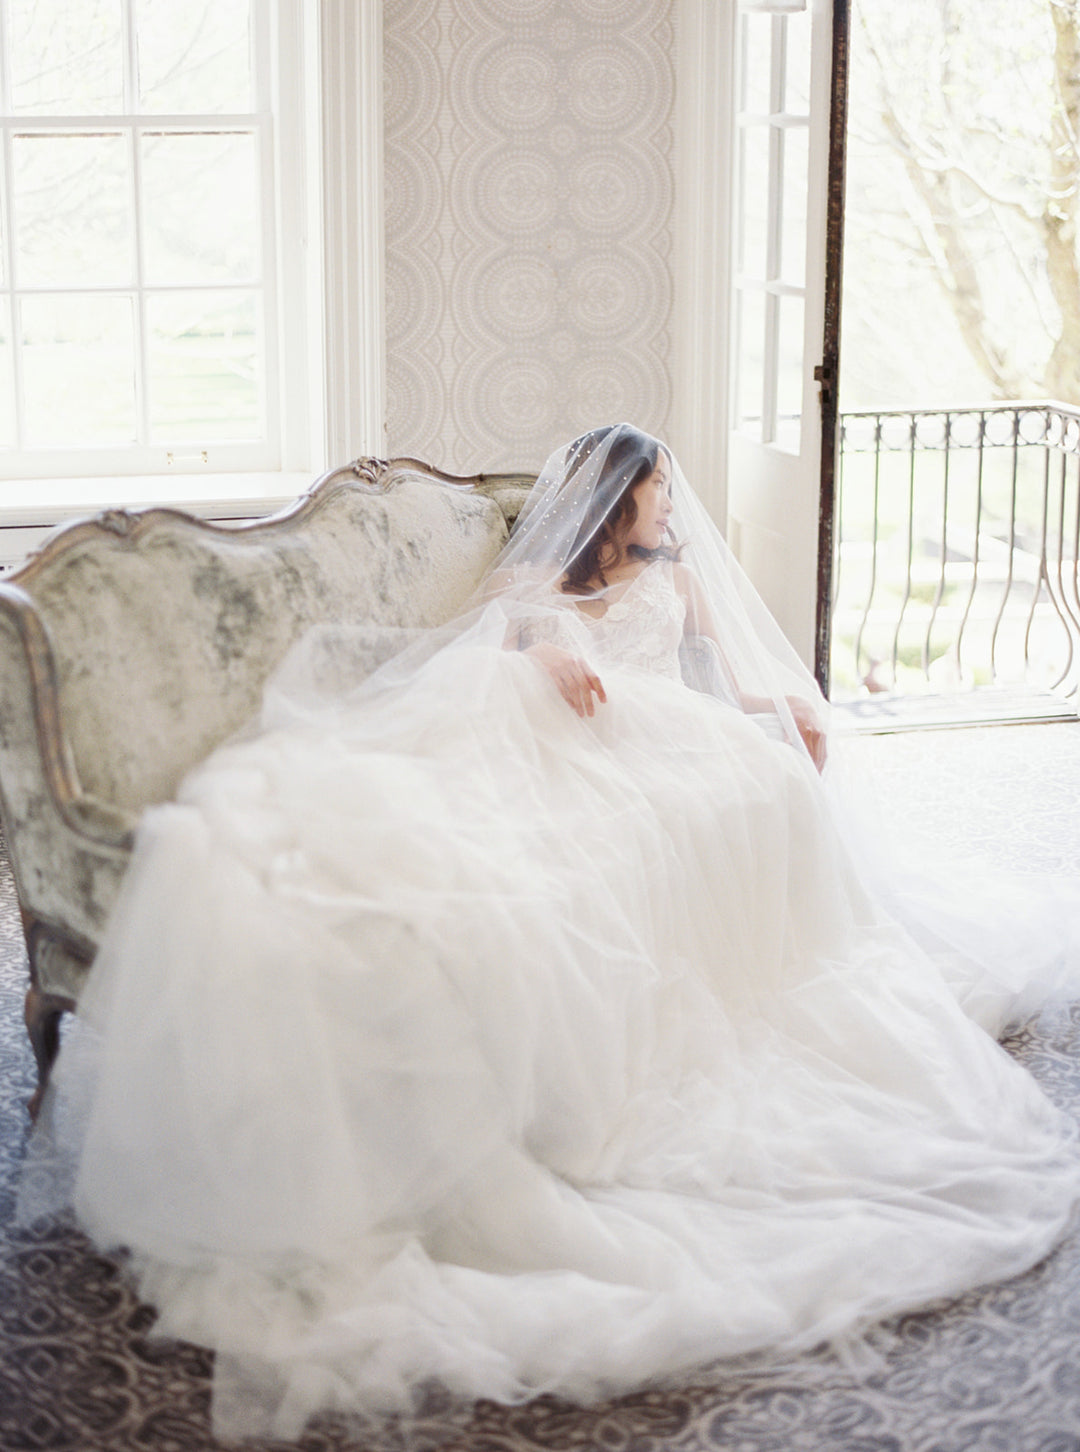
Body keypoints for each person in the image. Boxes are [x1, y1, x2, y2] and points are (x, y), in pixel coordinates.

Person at [24, 425, 1080, 1443]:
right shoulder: (542, 581)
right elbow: (489, 633)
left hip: (665, 733)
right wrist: (543, 654)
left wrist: (781, 705)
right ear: (618, 496)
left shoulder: (677, 577)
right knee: (532, 859)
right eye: (660, 486)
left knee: (759, 776)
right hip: (569, 746)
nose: (673, 501)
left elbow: (717, 671)